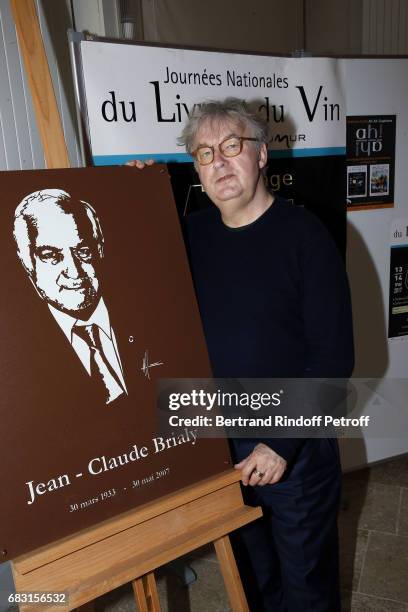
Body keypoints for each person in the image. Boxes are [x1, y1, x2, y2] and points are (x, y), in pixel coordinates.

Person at [130, 97, 354, 611]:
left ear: (261, 156)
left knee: (307, 590)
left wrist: (278, 444)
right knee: (251, 584)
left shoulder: (305, 237)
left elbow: (334, 358)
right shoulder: (194, 234)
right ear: (197, 170)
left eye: (232, 146)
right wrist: (137, 196)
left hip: (292, 455)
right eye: (204, 154)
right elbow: (138, 277)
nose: (220, 162)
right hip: (221, 452)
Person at [13, 189, 127, 405]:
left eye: (83, 251)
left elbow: (190, 411)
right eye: (51, 256)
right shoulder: (17, 355)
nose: (74, 271)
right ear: (28, 264)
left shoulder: (151, 311)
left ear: (99, 249)